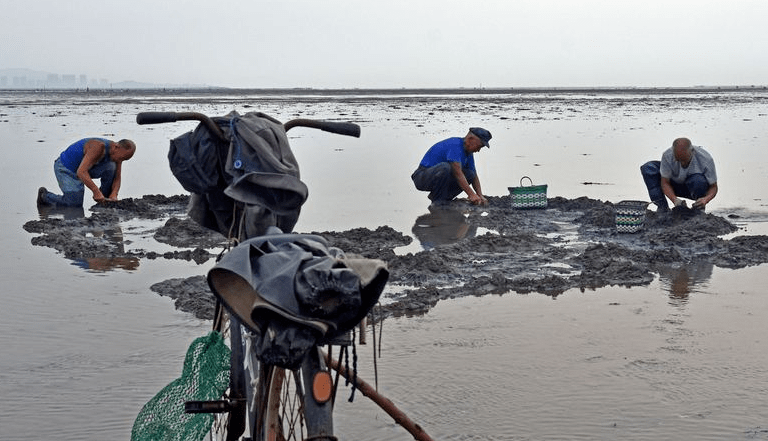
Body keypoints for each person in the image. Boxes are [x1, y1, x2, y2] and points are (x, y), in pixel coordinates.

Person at [37, 137, 136, 207]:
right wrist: (95, 191)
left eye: (124, 160)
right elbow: (81, 172)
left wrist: (114, 194)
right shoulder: (98, 147)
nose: (121, 160)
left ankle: (105, 200)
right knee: (74, 204)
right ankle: (45, 196)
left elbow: (117, 177)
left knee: (112, 167)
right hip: (67, 168)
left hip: (85, 167)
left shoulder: (118, 156)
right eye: (122, 157)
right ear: (116, 147)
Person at [411, 127, 491, 205]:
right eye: (479, 146)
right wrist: (471, 194)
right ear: (470, 139)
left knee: (470, 174)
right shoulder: (455, 145)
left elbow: (474, 176)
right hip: (422, 177)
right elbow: (457, 173)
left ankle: (444, 198)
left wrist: (479, 195)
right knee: (446, 167)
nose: (478, 150)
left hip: (441, 175)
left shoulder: (468, 152)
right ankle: (437, 201)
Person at [640, 137, 717, 212]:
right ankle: (662, 209)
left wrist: (705, 200)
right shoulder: (667, 155)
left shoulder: (705, 159)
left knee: (698, 180)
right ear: (673, 153)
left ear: (692, 152)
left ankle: (699, 208)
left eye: (684, 160)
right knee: (648, 168)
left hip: (693, 188)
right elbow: (665, 182)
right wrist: (675, 200)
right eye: (678, 160)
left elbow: (713, 187)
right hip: (674, 185)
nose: (682, 163)